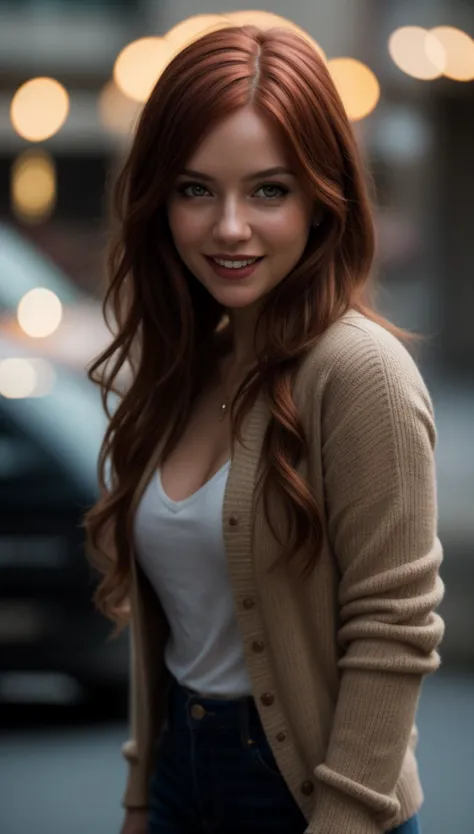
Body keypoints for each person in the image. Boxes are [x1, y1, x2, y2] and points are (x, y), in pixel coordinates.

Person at [85, 23, 444, 834]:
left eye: (269, 190)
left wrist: (343, 820)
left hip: (316, 795)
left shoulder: (360, 375)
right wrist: (144, 793)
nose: (230, 227)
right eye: (195, 189)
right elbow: (175, 634)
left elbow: (396, 630)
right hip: (183, 775)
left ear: (322, 198)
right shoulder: (186, 363)